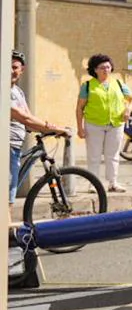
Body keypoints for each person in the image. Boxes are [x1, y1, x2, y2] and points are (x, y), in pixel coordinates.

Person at [9, 51, 68, 203]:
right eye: (8, 66)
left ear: (22, 70)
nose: (11, 71)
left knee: (9, 194)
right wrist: (50, 127)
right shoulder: (4, 91)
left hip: (15, 146)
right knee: (6, 199)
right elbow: (24, 118)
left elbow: (28, 120)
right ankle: (6, 227)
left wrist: (48, 128)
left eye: (15, 67)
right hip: (7, 147)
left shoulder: (18, 92)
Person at [75, 53, 132, 194]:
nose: (106, 70)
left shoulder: (118, 83)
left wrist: (128, 108)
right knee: (94, 156)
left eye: (108, 67)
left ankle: (113, 183)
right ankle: (93, 184)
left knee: (113, 155)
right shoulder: (88, 86)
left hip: (116, 123)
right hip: (94, 124)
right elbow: (79, 108)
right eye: (102, 67)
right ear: (95, 70)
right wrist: (80, 128)